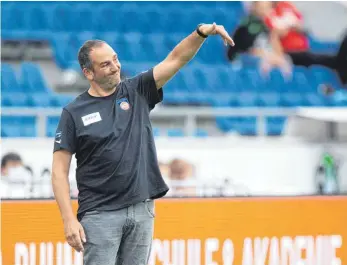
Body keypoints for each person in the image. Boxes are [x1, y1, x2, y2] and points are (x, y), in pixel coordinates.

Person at [51, 23, 234, 265]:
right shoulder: (73, 112)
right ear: (88, 73)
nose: (115, 67)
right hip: (99, 215)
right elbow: (59, 171)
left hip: (142, 210)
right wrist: (68, 219)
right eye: (105, 64)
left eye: (115, 59)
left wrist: (201, 33)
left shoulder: (136, 91)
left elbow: (176, 59)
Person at [227, 1, 292, 77]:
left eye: (267, 8)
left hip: (264, 56)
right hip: (242, 58)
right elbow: (248, 50)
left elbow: (278, 52)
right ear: (254, 7)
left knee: (286, 60)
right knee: (264, 62)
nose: (264, 10)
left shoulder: (267, 27)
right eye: (262, 7)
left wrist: (275, 35)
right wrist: (269, 57)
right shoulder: (246, 25)